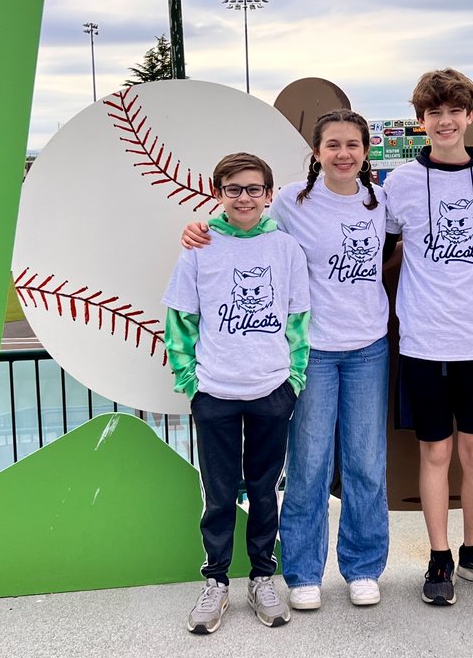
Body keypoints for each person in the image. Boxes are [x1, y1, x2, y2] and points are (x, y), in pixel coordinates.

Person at [182, 110, 391, 610]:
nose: (344, 153)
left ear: (366, 151)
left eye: (353, 144)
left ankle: (362, 567)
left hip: (369, 348)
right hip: (315, 350)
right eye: (333, 144)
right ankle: (301, 572)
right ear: (316, 152)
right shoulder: (294, 204)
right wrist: (199, 228)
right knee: (308, 466)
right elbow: (243, 226)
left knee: (365, 464)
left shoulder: (382, 199)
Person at [383, 68, 473, 605]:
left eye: (453, 110)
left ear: (470, 115)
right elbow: (380, 252)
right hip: (422, 341)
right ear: (421, 122)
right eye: (433, 113)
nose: (445, 121)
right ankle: (439, 558)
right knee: (435, 454)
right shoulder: (401, 184)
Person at [162, 152, 311, 635]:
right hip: (216, 392)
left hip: (271, 389)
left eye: (253, 189)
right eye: (233, 189)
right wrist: (191, 383)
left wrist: (294, 381)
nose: (244, 198)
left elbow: (297, 321)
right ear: (218, 193)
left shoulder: (285, 249)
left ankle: (263, 576)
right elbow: (180, 321)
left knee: (266, 491)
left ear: (268, 195)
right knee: (220, 494)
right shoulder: (200, 247)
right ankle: (217, 580)